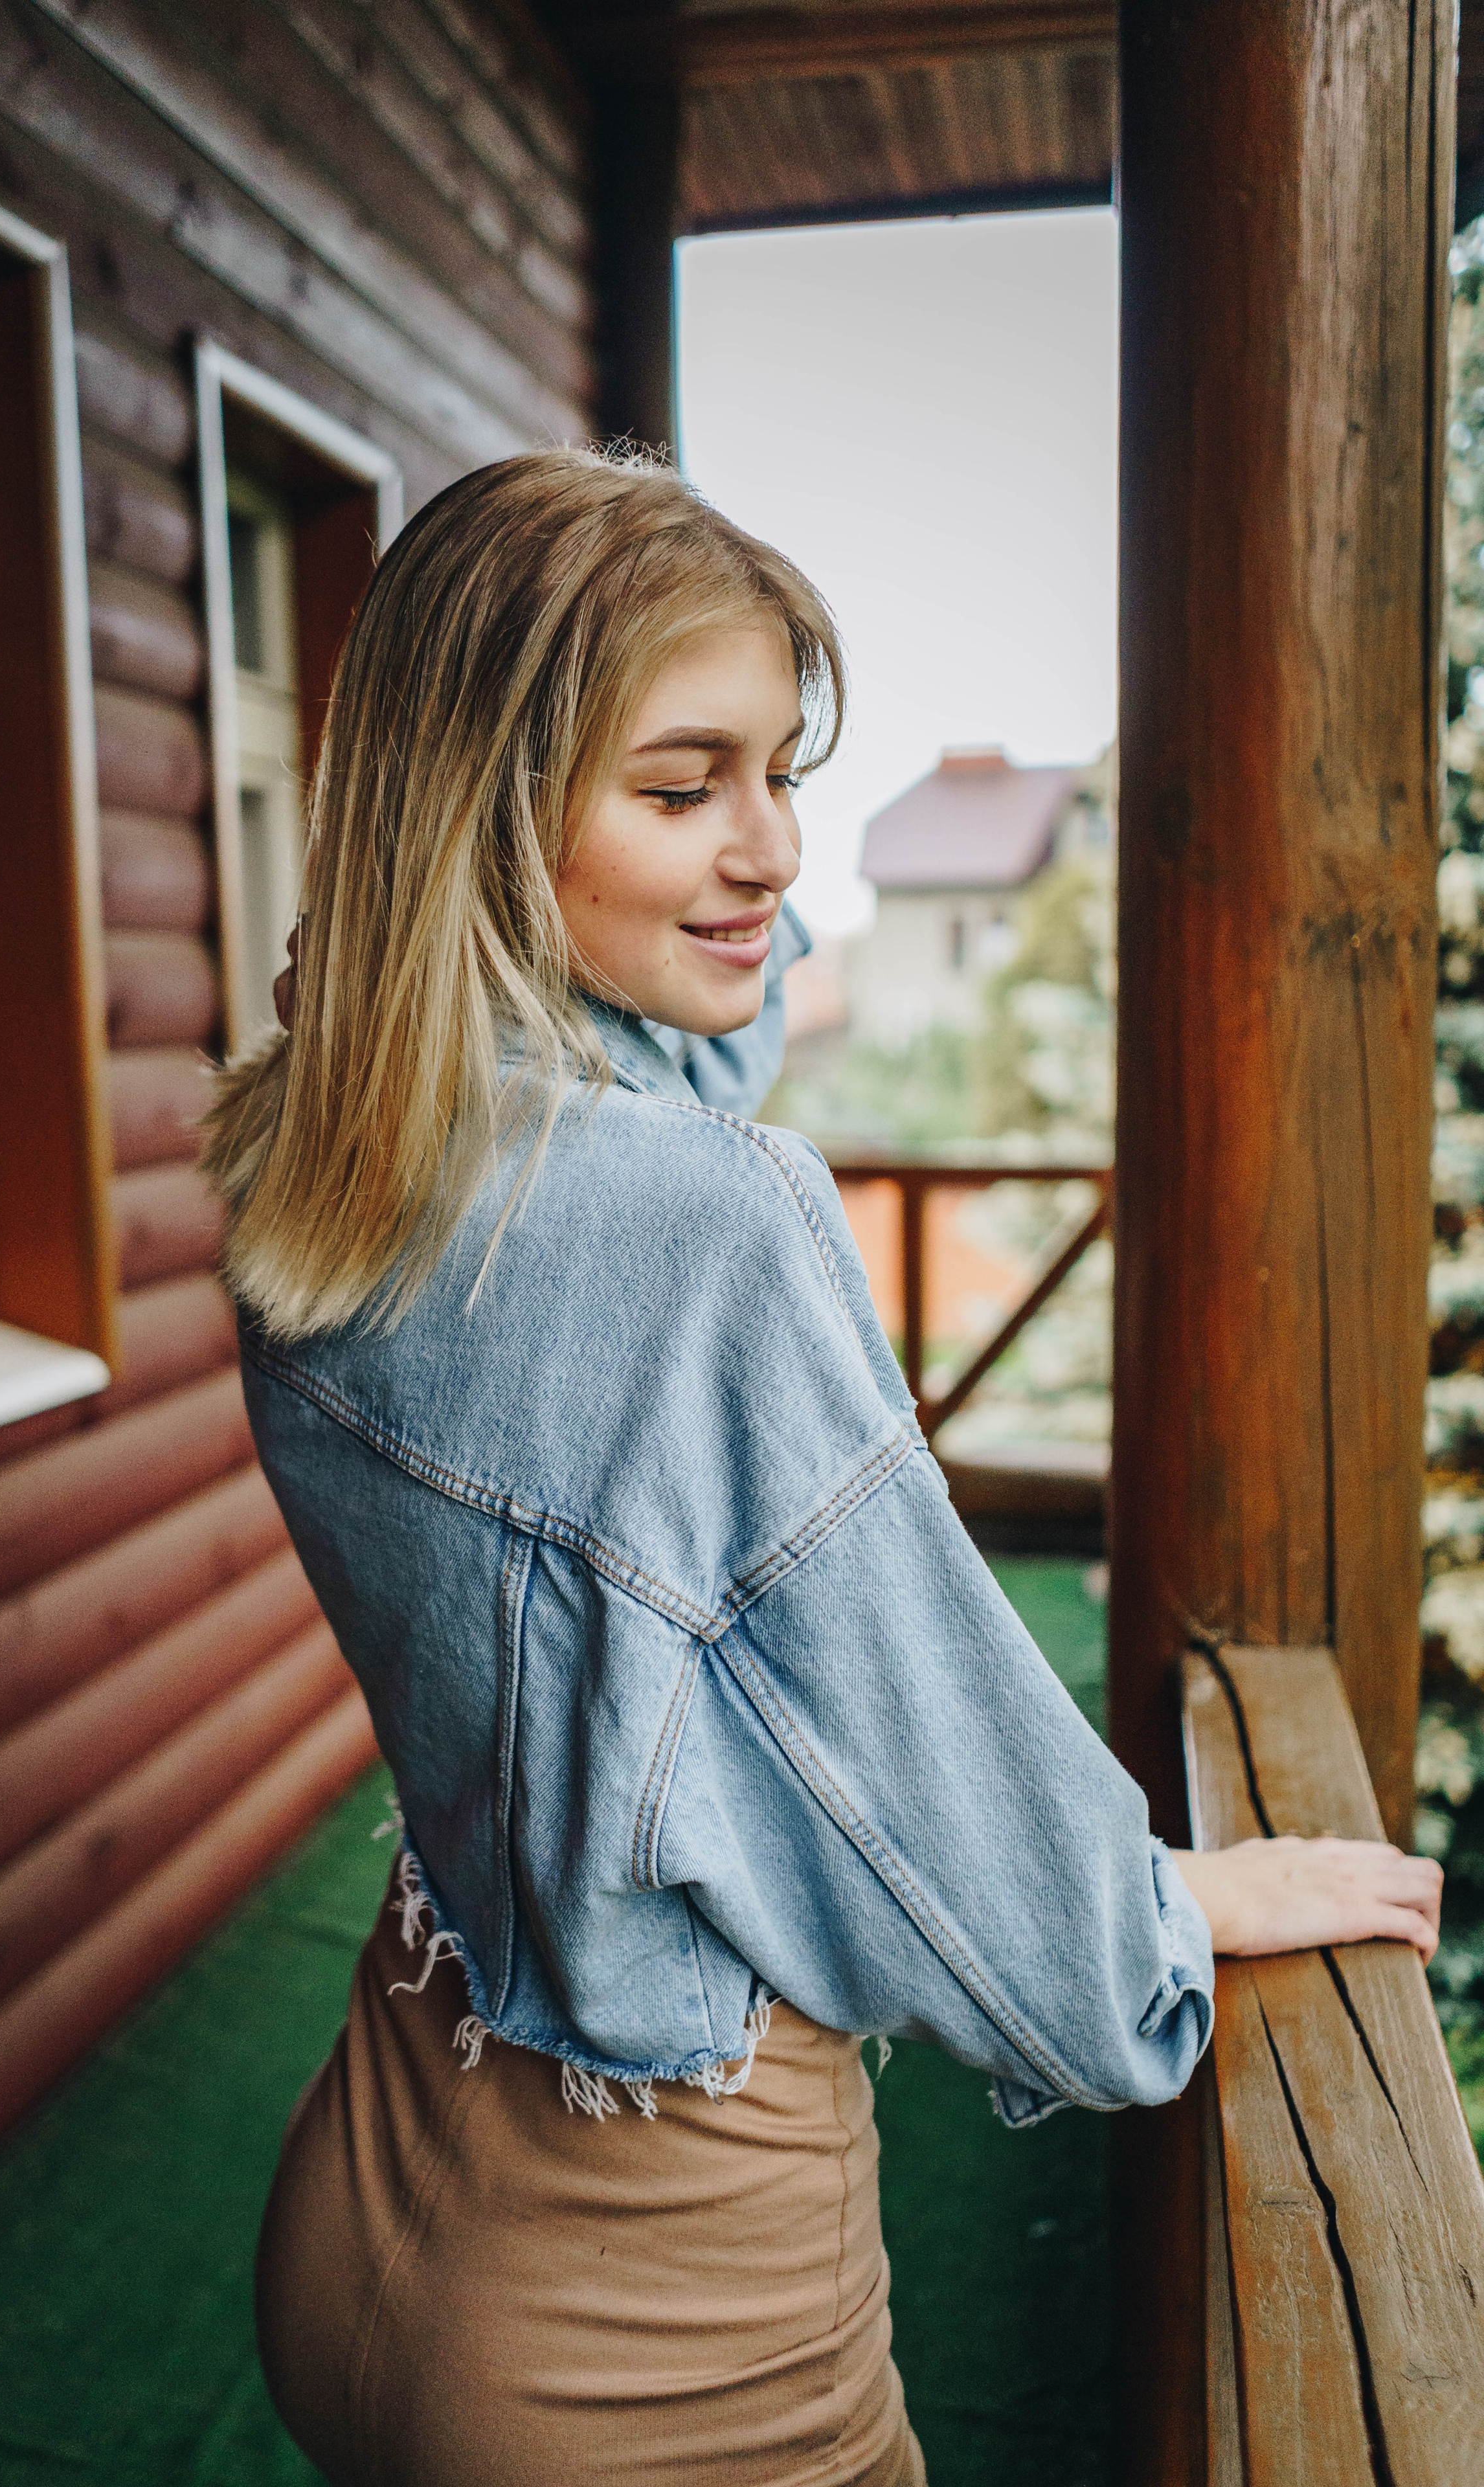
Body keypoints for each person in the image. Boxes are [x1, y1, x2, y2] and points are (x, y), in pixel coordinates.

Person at [203, 449, 1441, 2487]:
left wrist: (671, 870)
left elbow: (681, 1023)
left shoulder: (314, 1142)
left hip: (374, 2187)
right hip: (660, 2322)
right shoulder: (715, 1228)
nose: (774, 850)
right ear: (483, 816)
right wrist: (1164, 1905)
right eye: (682, 787)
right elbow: (961, 1810)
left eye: (785, 767)